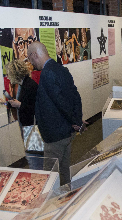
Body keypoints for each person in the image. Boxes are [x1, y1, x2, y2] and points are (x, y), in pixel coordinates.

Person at [27, 41, 86, 186]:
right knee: (64, 170)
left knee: (50, 176)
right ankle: (67, 194)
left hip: (55, 136)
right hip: (66, 132)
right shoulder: (61, 69)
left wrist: (76, 121)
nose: (31, 64)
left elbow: (61, 102)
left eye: (30, 59)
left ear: (34, 55)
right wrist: (77, 120)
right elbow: (75, 96)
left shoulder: (47, 73)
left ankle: (52, 200)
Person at [4, 59, 42, 153]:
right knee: (32, 152)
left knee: (34, 154)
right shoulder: (22, 85)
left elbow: (37, 108)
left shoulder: (30, 86)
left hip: (32, 126)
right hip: (27, 126)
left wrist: (20, 105)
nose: (8, 77)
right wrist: (5, 102)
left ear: (15, 74)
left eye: (9, 74)